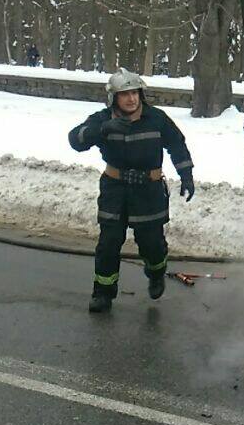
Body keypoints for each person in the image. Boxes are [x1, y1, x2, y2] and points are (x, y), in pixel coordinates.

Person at [68, 68, 196, 313]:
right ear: (114, 97)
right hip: (115, 190)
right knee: (109, 243)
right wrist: (101, 129)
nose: (131, 99)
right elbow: (76, 140)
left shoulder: (156, 118)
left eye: (135, 93)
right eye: (125, 94)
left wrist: (186, 175)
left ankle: (156, 272)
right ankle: (103, 292)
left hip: (148, 191)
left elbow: (177, 145)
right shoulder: (102, 119)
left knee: (151, 244)